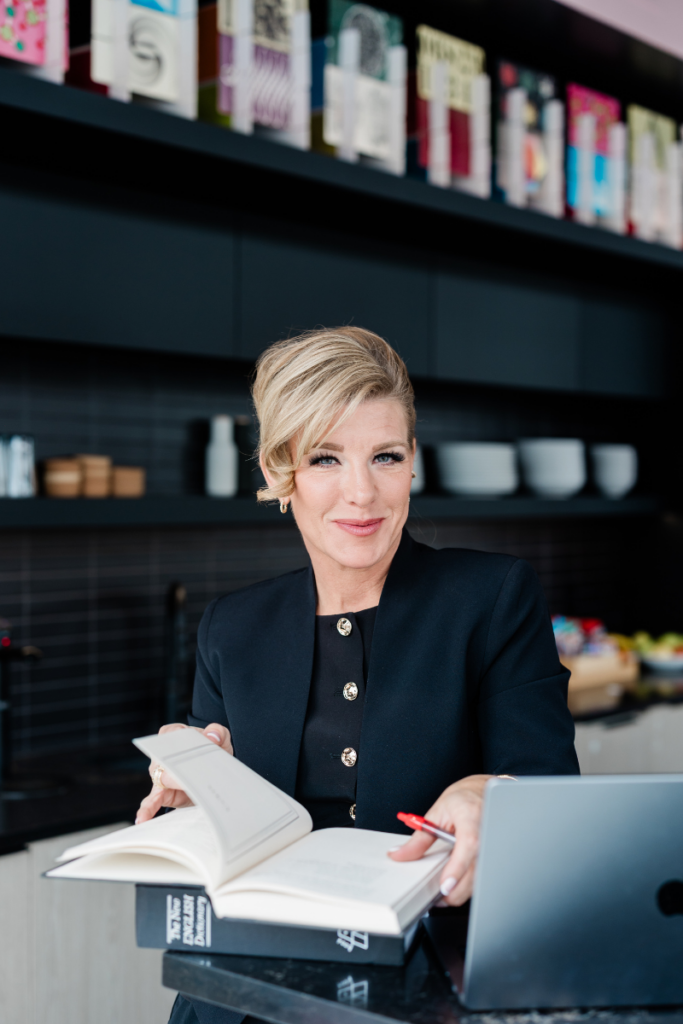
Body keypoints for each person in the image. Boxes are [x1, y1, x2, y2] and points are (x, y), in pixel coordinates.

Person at [137, 327, 579, 1024]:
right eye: (324, 458)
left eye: (385, 456)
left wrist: (491, 791)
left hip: (432, 989)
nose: (361, 492)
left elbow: (551, 795)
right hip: (247, 995)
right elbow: (230, 853)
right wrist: (198, 788)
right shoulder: (231, 626)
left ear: (412, 465)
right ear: (280, 472)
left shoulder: (490, 596)